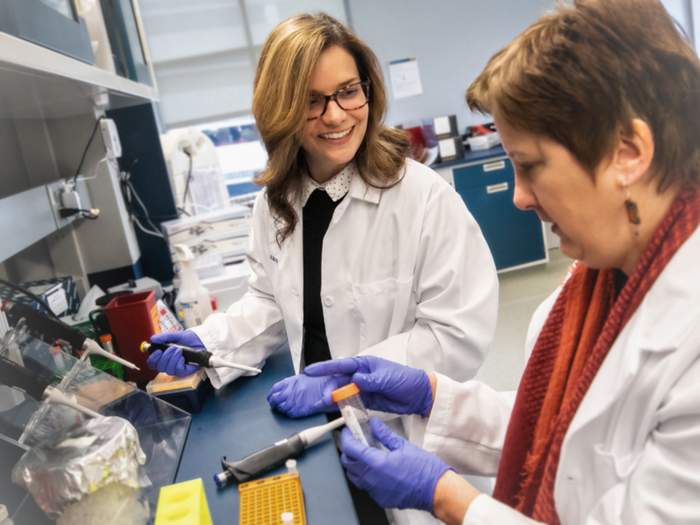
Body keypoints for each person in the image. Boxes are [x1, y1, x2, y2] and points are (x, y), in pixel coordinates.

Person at [300, 0, 700, 523]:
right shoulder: (596, 288)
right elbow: (565, 435)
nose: (520, 197)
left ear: (629, 152)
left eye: (530, 166)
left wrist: (448, 498)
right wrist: (430, 395)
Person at [147, 12, 498, 523]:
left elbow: (457, 334)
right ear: (282, 108)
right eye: (312, 100)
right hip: (315, 431)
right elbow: (270, 299)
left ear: (368, 92)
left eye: (348, 91)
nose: (335, 115)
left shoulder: (422, 197)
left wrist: (347, 382)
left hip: (401, 438)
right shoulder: (274, 204)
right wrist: (210, 342)